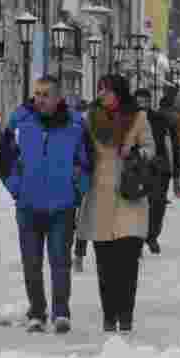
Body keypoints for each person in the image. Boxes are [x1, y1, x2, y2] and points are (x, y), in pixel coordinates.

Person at [2, 75, 88, 333]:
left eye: (45, 94)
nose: (39, 99)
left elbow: (86, 163)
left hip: (61, 206)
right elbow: (5, 158)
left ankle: (61, 312)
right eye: (36, 94)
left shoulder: (75, 125)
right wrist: (17, 188)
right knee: (31, 262)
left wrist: (77, 191)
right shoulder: (20, 121)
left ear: (58, 97)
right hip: (28, 205)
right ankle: (37, 312)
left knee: (60, 261)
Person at [77, 74, 155, 334]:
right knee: (105, 264)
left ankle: (126, 314)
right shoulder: (89, 120)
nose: (102, 95)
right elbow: (81, 151)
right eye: (100, 90)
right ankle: (109, 315)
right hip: (99, 197)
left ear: (119, 93)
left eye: (107, 90)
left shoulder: (138, 118)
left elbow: (150, 148)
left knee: (128, 262)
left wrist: (135, 152)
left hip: (129, 196)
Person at [135, 88, 173, 254]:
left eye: (144, 101)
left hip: (158, 166)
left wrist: (173, 168)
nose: (142, 105)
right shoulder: (128, 119)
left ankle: (151, 236)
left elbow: (169, 143)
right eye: (139, 102)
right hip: (136, 167)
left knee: (157, 204)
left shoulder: (159, 119)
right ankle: (140, 238)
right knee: (139, 204)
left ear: (150, 102)